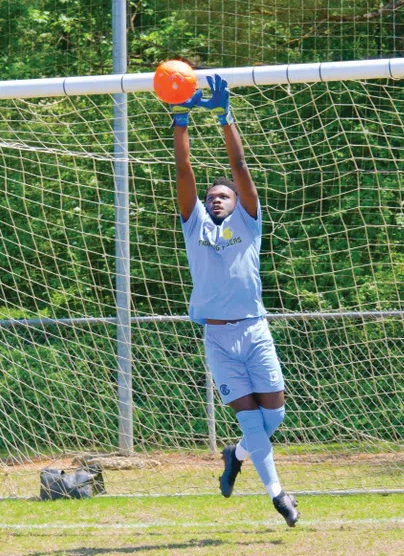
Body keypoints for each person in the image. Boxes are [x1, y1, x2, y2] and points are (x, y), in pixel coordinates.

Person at [171, 74, 299, 527]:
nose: (217, 199)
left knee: (275, 416)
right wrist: (180, 122)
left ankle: (236, 455)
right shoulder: (195, 227)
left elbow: (241, 168)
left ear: (237, 202)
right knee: (251, 422)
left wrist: (226, 120)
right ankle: (279, 495)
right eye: (212, 197)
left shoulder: (248, 223)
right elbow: (184, 173)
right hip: (218, 337)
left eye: (223, 195)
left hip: (255, 328)